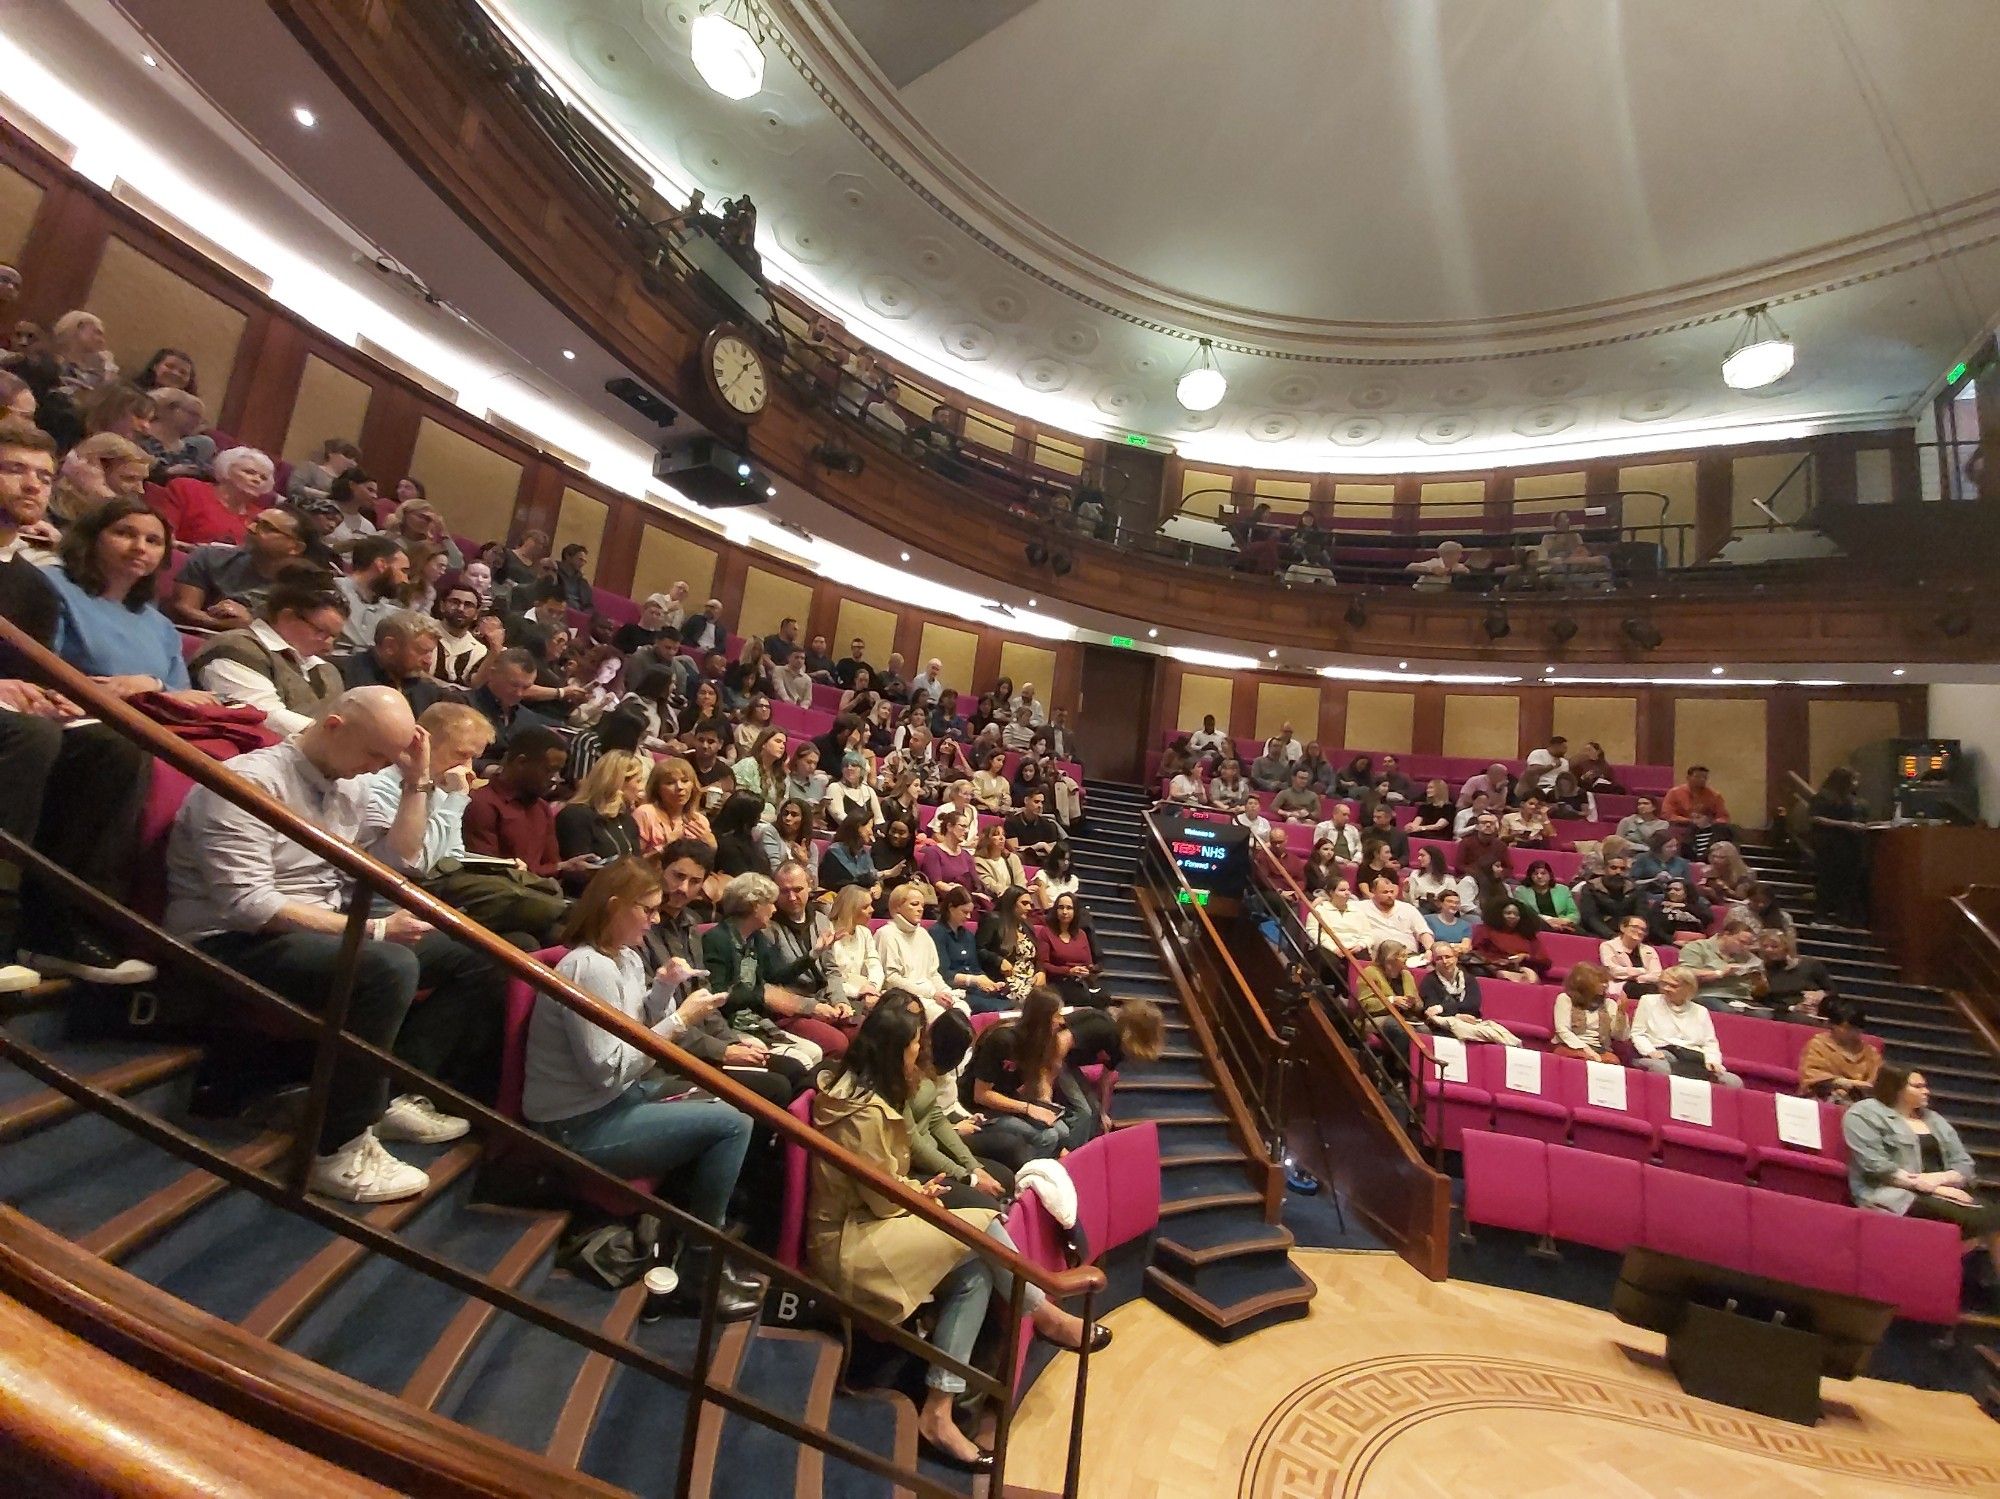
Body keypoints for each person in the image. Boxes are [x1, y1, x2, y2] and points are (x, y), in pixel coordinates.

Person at [165, 686, 503, 1201]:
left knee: (474, 956)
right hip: (226, 942)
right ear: (333, 726)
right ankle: (338, 1147)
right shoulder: (248, 783)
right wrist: (373, 930)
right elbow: (251, 907)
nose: (375, 769)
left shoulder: (351, 785)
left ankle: (384, 1095)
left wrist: (417, 783)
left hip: (314, 927)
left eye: (386, 760)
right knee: (386, 965)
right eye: (374, 755)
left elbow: (398, 862)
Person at [809, 999, 1104, 1472]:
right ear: (892, 1051)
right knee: (983, 1226)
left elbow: (884, 1181)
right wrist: (917, 1189)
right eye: (912, 1046)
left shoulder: (874, 1094)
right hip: (852, 1240)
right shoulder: (862, 1111)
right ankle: (1043, 1313)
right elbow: (882, 1197)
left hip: (876, 1219)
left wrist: (918, 1186)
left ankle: (939, 1411)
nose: (918, 1054)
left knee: (975, 1276)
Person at [524, 858, 759, 1319]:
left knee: (723, 1100)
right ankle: (696, 1268)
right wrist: (680, 1019)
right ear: (614, 906)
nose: (656, 920)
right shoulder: (587, 967)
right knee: (734, 1125)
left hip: (614, 1098)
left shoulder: (627, 957)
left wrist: (662, 989)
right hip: (576, 1123)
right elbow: (608, 1068)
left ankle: (679, 1246)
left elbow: (635, 1032)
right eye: (647, 910)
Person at [1844, 1067, 2000, 1284]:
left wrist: (1939, 1179)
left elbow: (1964, 1163)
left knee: (1991, 1216)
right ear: (1897, 1088)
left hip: (1942, 1191)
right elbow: (1876, 1166)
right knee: (1989, 1218)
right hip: (1892, 1192)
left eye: (1925, 1086)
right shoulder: (1864, 1113)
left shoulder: (1933, 1119)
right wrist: (1934, 1188)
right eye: (1918, 1086)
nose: (1926, 1091)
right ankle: (1923, 1276)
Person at [44, 497, 207, 702]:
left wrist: (153, 685)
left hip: (151, 722)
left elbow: (184, 696)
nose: (140, 547)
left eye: (153, 541)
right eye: (124, 533)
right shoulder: (51, 584)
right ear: (91, 537)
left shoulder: (161, 626)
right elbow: (36, 670)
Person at [705, 870, 855, 1061]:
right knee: (807, 1056)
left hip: (755, 1019)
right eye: (770, 904)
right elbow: (719, 994)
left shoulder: (755, 937)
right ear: (755, 906)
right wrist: (763, 995)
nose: (774, 909)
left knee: (813, 1052)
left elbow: (777, 976)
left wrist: (813, 954)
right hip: (731, 1023)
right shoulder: (717, 939)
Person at [190, 568, 348, 733]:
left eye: (334, 636)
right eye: (321, 632)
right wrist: (340, 740)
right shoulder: (234, 647)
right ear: (287, 617)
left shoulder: (328, 671)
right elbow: (263, 717)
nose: (329, 645)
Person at [965, 986, 1100, 1169]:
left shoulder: (1041, 1043)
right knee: (1047, 1136)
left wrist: (1045, 1107)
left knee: (1062, 1130)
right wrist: (1028, 1109)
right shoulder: (1002, 1040)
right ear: (1042, 1019)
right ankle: (1027, 1181)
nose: (1061, 1021)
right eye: (1056, 1015)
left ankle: (1050, 1170)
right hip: (978, 1108)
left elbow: (1037, 1084)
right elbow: (981, 1095)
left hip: (1008, 1101)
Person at [463, 725, 599, 884]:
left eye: (559, 772)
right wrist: (562, 867)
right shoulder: (481, 803)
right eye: (550, 770)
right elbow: (490, 871)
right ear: (521, 762)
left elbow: (552, 865)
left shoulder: (542, 808)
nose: (556, 778)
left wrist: (568, 867)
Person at [166, 506, 317, 630]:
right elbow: (183, 609)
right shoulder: (209, 557)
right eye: (255, 521)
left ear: (295, 547)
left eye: (267, 528)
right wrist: (229, 625)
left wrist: (250, 624)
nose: (251, 528)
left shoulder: (307, 587)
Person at [1629, 968, 1743, 1085]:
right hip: (1663, 1053)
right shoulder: (1648, 1001)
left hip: (1694, 1059)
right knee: (1661, 1068)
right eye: (1664, 984)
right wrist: (1650, 1051)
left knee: (1733, 1081)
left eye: (1673, 986)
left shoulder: (1701, 1011)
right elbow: (1638, 1033)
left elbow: (1710, 1043)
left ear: (1688, 988)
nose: (1666, 989)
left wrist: (1713, 1061)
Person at [556, 750, 648, 874]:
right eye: (638, 781)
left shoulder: (627, 820)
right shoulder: (575, 816)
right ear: (619, 782)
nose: (641, 788)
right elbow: (576, 872)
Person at [1808, 767, 1871, 927]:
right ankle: (1821, 915)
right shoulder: (1824, 796)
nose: (1856, 783)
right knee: (1828, 880)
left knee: (1847, 882)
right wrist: (1846, 825)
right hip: (1831, 844)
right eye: (1853, 780)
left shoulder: (1852, 799)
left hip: (1850, 845)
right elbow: (1816, 818)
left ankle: (1843, 915)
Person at [1417, 945, 1519, 1045]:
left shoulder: (1469, 979)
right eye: (1439, 958)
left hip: (1470, 1020)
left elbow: (1473, 1004)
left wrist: (1442, 1008)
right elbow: (1431, 1009)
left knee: (1498, 1031)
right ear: (1434, 962)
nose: (1445, 961)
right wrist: (1457, 1015)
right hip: (1444, 1024)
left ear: (1456, 958)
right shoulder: (1429, 980)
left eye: (1448, 957)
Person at [1797, 997, 1881, 1102]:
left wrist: (1860, 1089)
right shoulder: (1818, 1044)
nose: (1853, 1033)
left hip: (1860, 1100)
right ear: (1832, 1024)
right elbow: (1811, 1076)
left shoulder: (1870, 1052)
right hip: (1823, 1097)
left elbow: (1877, 1081)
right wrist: (1841, 1083)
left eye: (1857, 1029)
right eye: (1848, 1028)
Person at [977, 886, 1044, 1008]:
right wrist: (998, 960)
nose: (1029, 908)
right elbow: (979, 950)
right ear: (1011, 903)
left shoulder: (1026, 925)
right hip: (1006, 982)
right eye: (1024, 903)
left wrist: (1040, 972)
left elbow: (1038, 955)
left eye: (1030, 904)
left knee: (1053, 1000)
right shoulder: (993, 920)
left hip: (1030, 982)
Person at [1355, 940, 1422, 1061]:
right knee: (1397, 1027)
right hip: (1374, 1018)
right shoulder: (1370, 972)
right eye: (1402, 956)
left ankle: (1412, 1069)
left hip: (1404, 1017)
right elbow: (1365, 1003)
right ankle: (1395, 1068)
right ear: (1390, 957)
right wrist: (1391, 1000)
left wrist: (1413, 1003)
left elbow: (1418, 1005)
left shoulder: (1407, 974)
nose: (1406, 958)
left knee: (1424, 1030)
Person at [1678, 917, 1764, 1010]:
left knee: (1764, 1015)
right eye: (1742, 942)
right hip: (1708, 994)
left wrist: (1760, 983)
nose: (1745, 947)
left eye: (1748, 944)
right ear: (1726, 935)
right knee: (1726, 1011)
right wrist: (1719, 973)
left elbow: (1758, 991)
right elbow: (1685, 974)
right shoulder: (1697, 947)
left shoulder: (1748, 957)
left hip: (1740, 997)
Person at [822, 885, 885, 1012]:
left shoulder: (865, 933)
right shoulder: (826, 932)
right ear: (850, 909)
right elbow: (828, 977)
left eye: (871, 905)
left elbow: (875, 964)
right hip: (836, 997)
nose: (872, 910)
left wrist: (871, 988)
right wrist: (858, 992)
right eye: (865, 907)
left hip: (866, 993)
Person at [1036, 892, 1104, 1008]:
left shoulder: (1081, 934)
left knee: (1104, 998)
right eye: (1061, 908)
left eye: (1069, 908)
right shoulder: (1046, 932)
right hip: (1058, 980)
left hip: (1081, 981)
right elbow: (1044, 964)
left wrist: (1087, 971)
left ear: (1075, 911)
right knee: (1079, 997)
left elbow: (1088, 963)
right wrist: (1068, 971)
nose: (1064, 912)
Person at [1550, 962, 1622, 1063]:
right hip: (1571, 1046)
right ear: (1585, 983)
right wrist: (1587, 1050)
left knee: (1614, 1062)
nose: (1605, 985)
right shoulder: (1565, 999)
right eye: (1600, 982)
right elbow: (1562, 1030)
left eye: (1606, 982)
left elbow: (1620, 1037)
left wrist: (1622, 1013)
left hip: (1599, 1050)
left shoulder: (1609, 1003)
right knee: (1585, 1060)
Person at [1756, 928, 1834, 1020]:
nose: (1768, 950)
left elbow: (1832, 991)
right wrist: (1793, 1008)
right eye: (1765, 946)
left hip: (1812, 1010)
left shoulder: (1810, 964)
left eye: (1774, 946)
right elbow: (1764, 1001)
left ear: (1786, 947)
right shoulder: (1763, 970)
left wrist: (1821, 994)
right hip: (1783, 1012)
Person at [1472, 897, 1552, 983]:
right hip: (1493, 967)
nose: (1512, 916)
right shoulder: (1485, 930)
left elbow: (1545, 961)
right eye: (1508, 913)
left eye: (1516, 914)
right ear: (1499, 914)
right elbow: (1477, 952)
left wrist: (1526, 956)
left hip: (1521, 968)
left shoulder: (1527, 935)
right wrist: (1497, 961)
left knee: (1531, 977)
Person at [1576, 853, 1643, 938]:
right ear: (1604, 869)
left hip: (1628, 935)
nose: (1618, 872)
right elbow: (1590, 918)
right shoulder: (1590, 888)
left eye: (1622, 869)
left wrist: (1628, 934)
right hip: (1597, 934)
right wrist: (1611, 935)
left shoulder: (1635, 889)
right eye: (1613, 868)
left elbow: (1641, 917)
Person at [1599, 913, 1663, 1000]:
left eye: (1643, 929)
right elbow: (1613, 970)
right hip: (1621, 985)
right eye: (1635, 927)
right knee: (1652, 991)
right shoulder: (1608, 945)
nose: (1639, 931)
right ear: (1623, 928)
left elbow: (1657, 974)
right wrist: (1642, 970)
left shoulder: (1649, 950)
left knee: (1661, 989)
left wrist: (1640, 978)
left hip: (1645, 984)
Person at [1514, 858, 1579, 931]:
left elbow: (1574, 914)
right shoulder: (1521, 891)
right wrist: (1546, 922)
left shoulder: (1563, 890)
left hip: (1563, 925)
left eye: (1543, 873)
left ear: (1550, 875)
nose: (1539, 877)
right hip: (1536, 926)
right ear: (1530, 876)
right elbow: (1523, 913)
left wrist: (1562, 921)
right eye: (1535, 874)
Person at [1662, 765, 1731, 830]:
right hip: (1681, 828)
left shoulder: (1714, 795)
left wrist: (1709, 822)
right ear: (1688, 778)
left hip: (1707, 829)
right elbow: (1667, 814)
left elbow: (1723, 817)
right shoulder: (1674, 793)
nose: (1702, 780)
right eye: (1697, 777)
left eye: (1704, 777)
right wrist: (1690, 821)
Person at [972, 823, 1025, 903]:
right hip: (996, 901)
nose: (1001, 838)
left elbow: (1021, 882)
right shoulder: (979, 861)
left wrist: (1018, 896)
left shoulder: (1012, 858)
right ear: (987, 839)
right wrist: (1013, 895)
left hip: (1017, 900)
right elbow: (990, 886)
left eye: (1003, 835)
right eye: (996, 834)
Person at [1454, 811, 1511, 880]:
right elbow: (1459, 865)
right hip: (1471, 878)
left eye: (1492, 823)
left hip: (1494, 879)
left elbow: (1508, 868)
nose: (1488, 825)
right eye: (1484, 822)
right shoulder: (1466, 842)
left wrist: (1499, 873)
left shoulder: (1501, 845)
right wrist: (1478, 874)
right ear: (1477, 826)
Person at [1422, 887, 1476, 958]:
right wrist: (1456, 946)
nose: (1454, 905)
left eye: (1457, 903)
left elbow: (1465, 947)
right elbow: (1431, 946)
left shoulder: (1465, 925)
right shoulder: (1428, 920)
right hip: (1435, 959)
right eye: (1449, 901)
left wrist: (1443, 946)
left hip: (1458, 959)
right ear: (1440, 903)